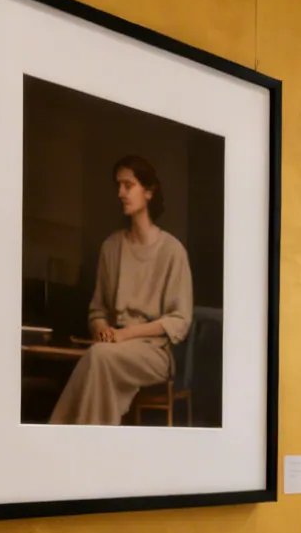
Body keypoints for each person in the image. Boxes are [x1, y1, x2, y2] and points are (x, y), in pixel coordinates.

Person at [49, 155, 194, 425]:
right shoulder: (111, 247)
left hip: (153, 355)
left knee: (99, 357)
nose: (120, 193)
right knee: (99, 356)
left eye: (128, 185)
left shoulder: (173, 251)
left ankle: (63, 435)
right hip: (111, 348)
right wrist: (101, 328)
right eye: (118, 186)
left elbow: (180, 320)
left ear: (148, 192)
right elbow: (97, 310)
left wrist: (125, 334)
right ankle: (91, 444)